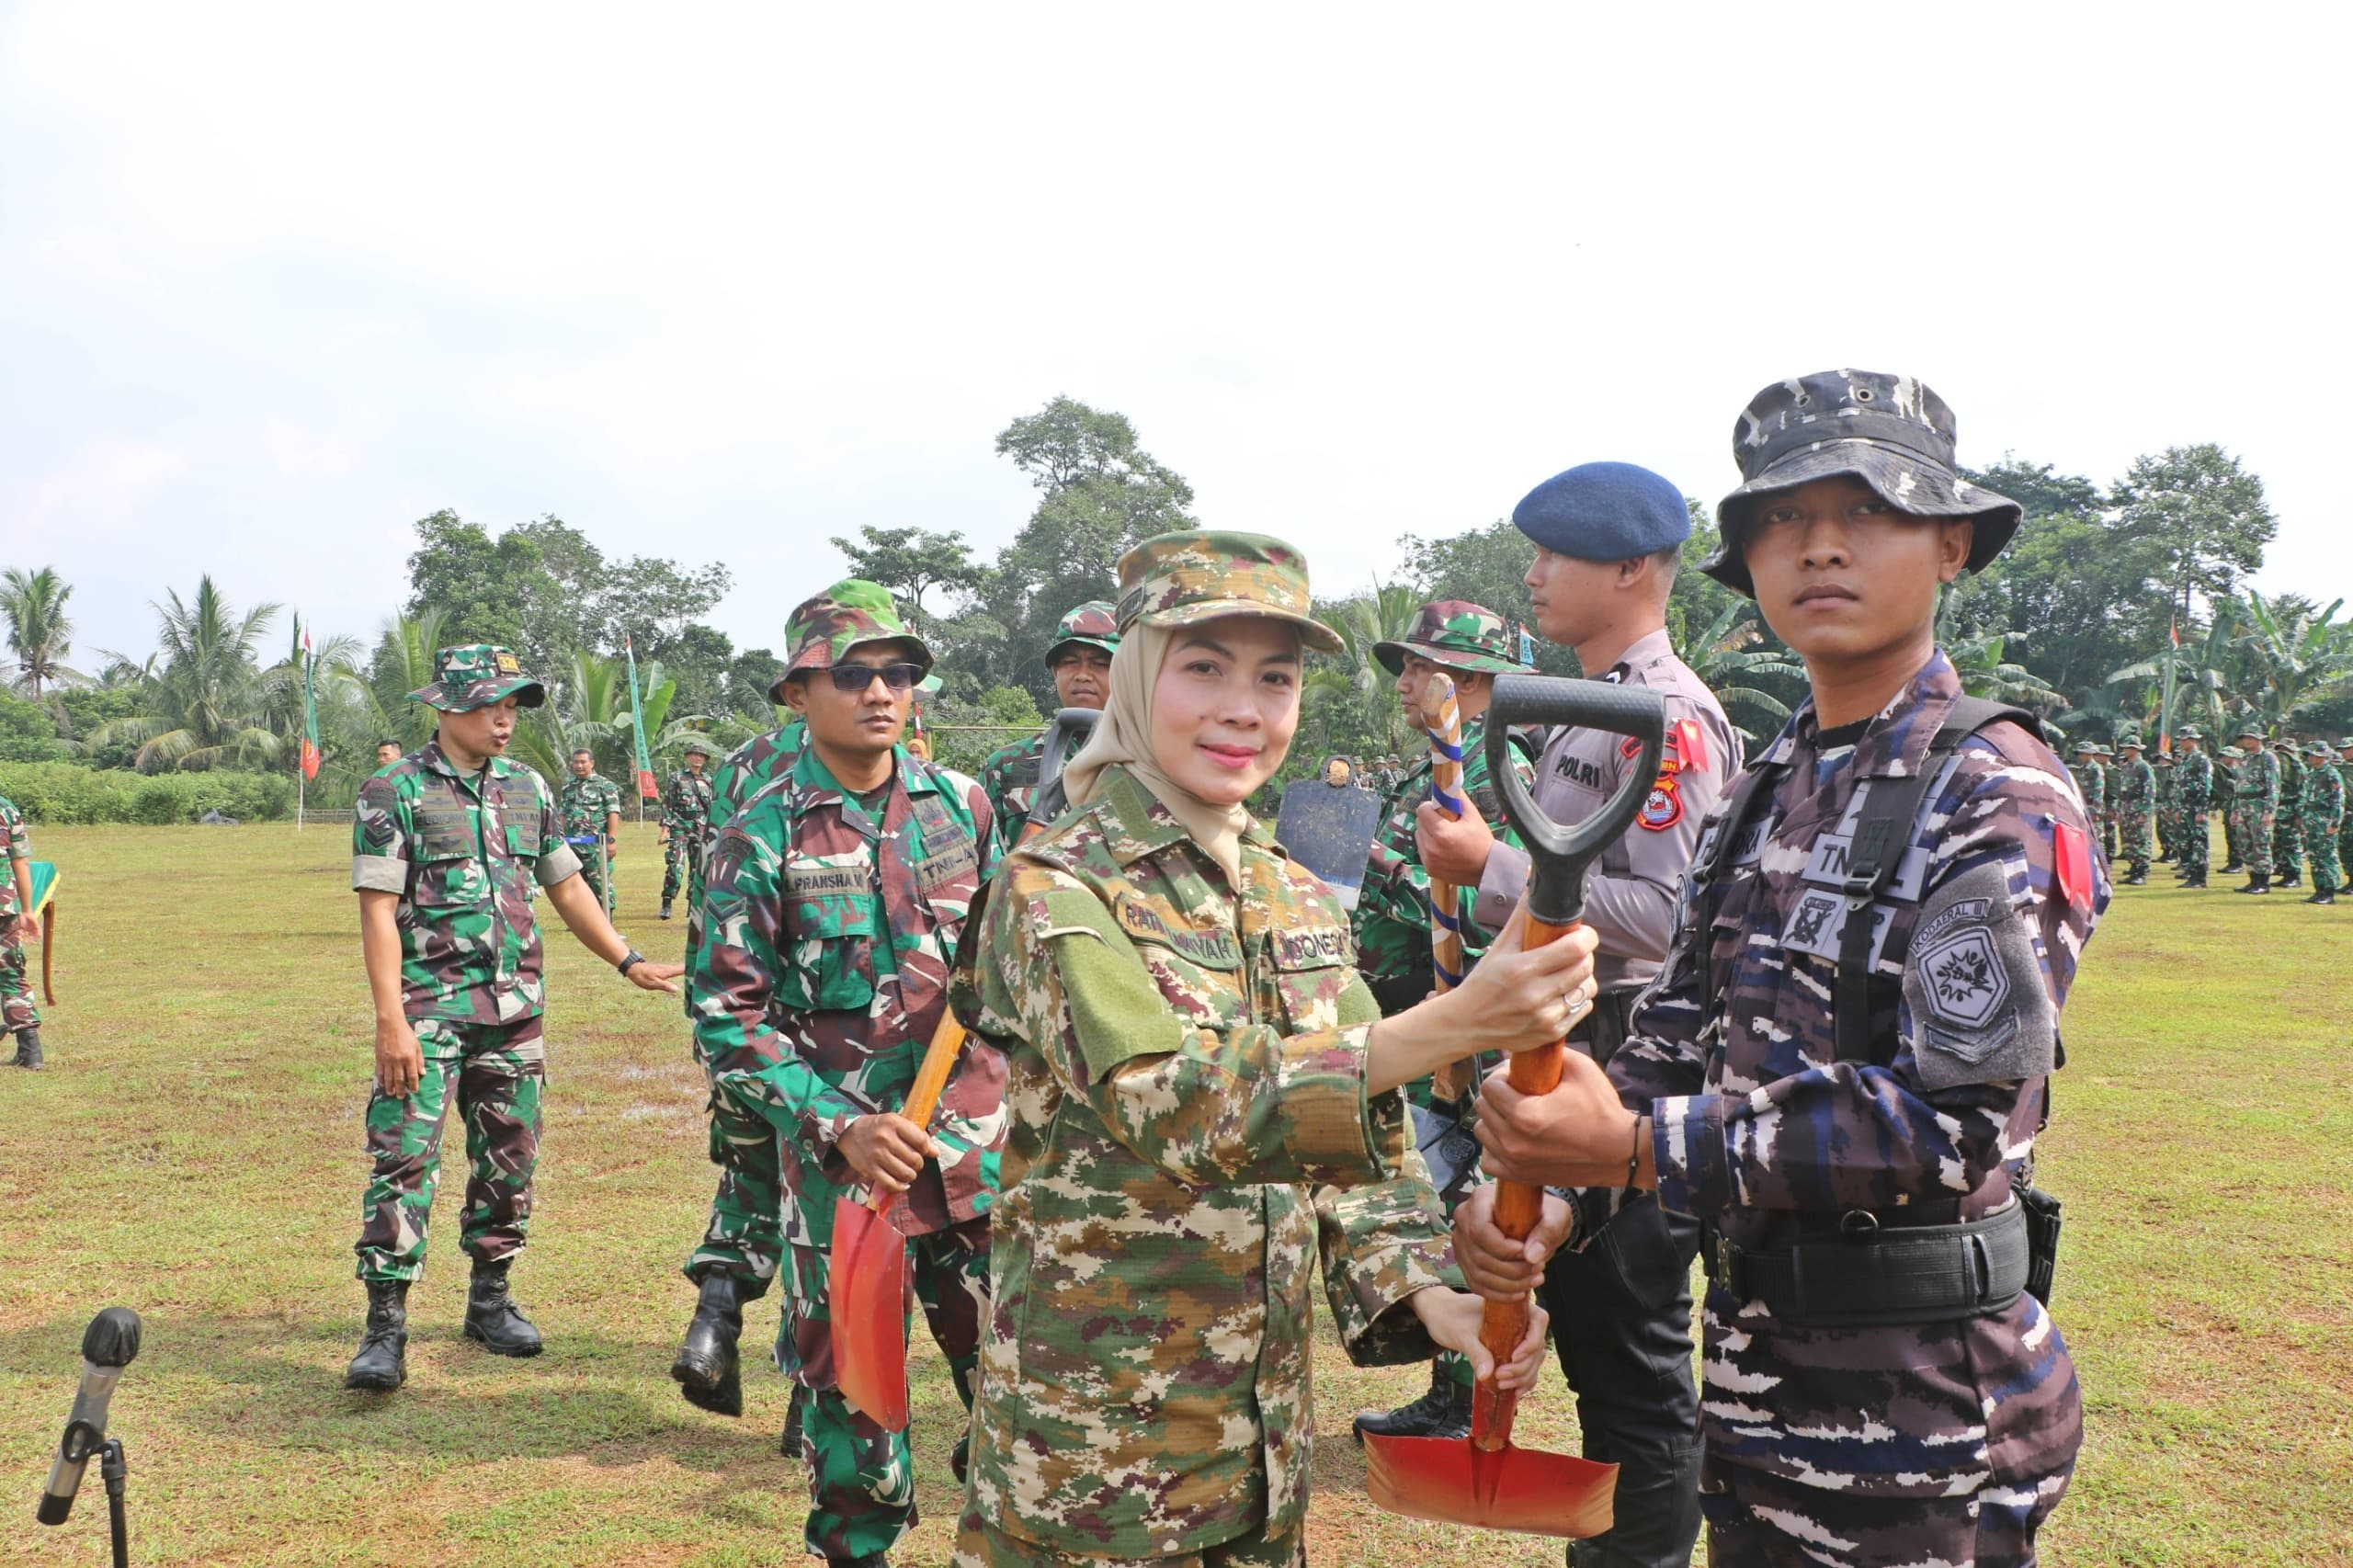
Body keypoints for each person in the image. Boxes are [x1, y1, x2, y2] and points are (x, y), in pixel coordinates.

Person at [1461, 370, 2104, 1567]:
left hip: (1921, 1410)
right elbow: (1674, 1034)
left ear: (1951, 543)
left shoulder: (1994, 788)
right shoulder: (1766, 786)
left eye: (1867, 511)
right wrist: (1559, 1193)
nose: (1820, 546)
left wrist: (1633, 1147)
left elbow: (1954, 1118)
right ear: (1748, 559)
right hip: (1758, 1387)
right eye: (1783, 519)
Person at [949, 530, 1580, 1567]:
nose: (1245, 709)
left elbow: (1358, 1138)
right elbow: (1169, 1100)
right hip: (1097, 1453)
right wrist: (1456, 1022)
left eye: (1275, 677)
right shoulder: (1052, 883)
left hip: (1260, 1448)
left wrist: (1433, 1291)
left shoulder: (1289, 888)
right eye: (1204, 667)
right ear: (1137, 675)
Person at [1414, 461, 1739, 1568]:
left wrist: (1494, 865)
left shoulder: (1665, 717)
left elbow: (1671, 917)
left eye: (1557, 554)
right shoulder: (1583, 708)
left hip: (1631, 1067)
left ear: (1633, 567)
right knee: (1594, 1343)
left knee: (1632, 1365)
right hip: (1562, 1057)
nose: (1533, 574)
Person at [689, 587, 1005, 1568]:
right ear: (799, 692)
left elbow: (1003, 969)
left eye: (899, 673)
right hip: (847, 1182)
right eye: (854, 673)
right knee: (857, 1415)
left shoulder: (963, 805)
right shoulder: (759, 834)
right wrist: (838, 1126)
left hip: (972, 1160)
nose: (881, 692)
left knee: (1020, 1385)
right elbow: (726, 1018)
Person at [345, 645, 683, 1392]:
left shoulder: (527, 787)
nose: (504, 720)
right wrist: (390, 1021)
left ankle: (490, 1302)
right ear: (446, 707)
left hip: (514, 1011)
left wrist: (626, 959)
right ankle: (385, 1326)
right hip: (430, 1010)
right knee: (404, 1158)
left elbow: (567, 886)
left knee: (510, 1156)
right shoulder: (394, 791)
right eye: (489, 706)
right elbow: (377, 911)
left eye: (511, 707)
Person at [1347, 597, 1535, 1444]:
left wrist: (1374, 866)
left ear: (1471, 681)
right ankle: (1450, 1390)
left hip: (1477, 1030)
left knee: (1476, 1203)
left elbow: (1501, 901)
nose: (1405, 682)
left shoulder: (1496, 771)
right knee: (1442, 1202)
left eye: (1421, 667)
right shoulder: (1427, 766)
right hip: (1421, 1020)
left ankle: (1468, 1405)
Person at [671, 642, 813, 1441]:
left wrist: (709, 1013)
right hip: (831, 1021)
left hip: (738, 1005)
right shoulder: (877, 775)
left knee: (752, 1173)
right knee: (827, 1208)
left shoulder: (741, 764)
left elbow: (711, 890)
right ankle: (809, 1399)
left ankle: (715, 1320)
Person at [978, 601, 1120, 853]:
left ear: (1127, 671)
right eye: (1070, 663)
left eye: (1100, 664)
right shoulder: (1005, 766)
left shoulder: (1154, 762)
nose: (1083, 675)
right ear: (1055, 672)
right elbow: (986, 864)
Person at [2, 790, 42, 1069]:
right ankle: (31, 1052)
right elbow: (21, 861)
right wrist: (26, 910)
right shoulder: (5, 807)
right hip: (3, 905)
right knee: (11, 974)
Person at [559, 747, 625, 915]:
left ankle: (607, 917)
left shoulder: (605, 785)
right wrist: (560, 838)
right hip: (573, 845)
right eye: (576, 762)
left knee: (600, 883)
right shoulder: (568, 787)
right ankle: (582, 920)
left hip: (596, 846)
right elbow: (563, 814)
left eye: (583, 762)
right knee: (576, 885)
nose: (579, 766)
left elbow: (613, 812)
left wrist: (611, 840)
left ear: (592, 763)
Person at [658, 740, 716, 920]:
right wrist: (665, 829)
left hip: (701, 829)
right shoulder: (676, 778)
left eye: (701, 756)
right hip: (680, 827)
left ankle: (693, 905)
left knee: (698, 869)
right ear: (688, 757)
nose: (697, 758)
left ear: (704, 760)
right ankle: (667, 902)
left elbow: (713, 806)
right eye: (694, 755)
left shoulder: (708, 780)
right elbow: (667, 804)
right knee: (675, 865)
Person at [2230, 723, 2279, 893]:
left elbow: (2273, 786)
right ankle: (2253, 879)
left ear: (2259, 739)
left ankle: (2263, 882)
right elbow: (2238, 786)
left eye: (2250, 737)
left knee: (2261, 843)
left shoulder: (2268, 758)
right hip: (2244, 806)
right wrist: (2235, 809)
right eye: (2245, 738)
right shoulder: (2245, 759)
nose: (2247, 741)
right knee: (2245, 844)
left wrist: (2269, 811)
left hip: (2259, 805)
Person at [2299, 742, 2342, 905]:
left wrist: (2335, 823)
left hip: (2325, 819)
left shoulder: (2331, 774)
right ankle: (2319, 889)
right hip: (2311, 818)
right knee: (2314, 855)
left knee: (2327, 855)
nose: (2311, 757)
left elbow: (2338, 800)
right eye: (2310, 754)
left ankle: (2329, 891)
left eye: (2314, 754)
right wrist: (2304, 818)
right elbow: (2306, 797)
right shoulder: (2312, 773)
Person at [2113, 733, 2156, 885]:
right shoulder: (2126, 768)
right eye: (2125, 748)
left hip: (2138, 808)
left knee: (2141, 840)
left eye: (2129, 748)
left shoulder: (2143, 767)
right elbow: (2121, 792)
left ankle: (2142, 872)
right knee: (2129, 841)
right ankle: (2134, 869)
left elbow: (2150, 791)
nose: (2125, 750)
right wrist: (2119, 810)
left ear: (2136, 750)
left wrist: (2145, 812)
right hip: (2127, 809)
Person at [2174, 726, 2212, 886]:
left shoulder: (2201, 760)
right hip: (2185, 807)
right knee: (2187, 841)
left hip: (2196, 807)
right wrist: (2178, 808)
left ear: (2194, 740)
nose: (2182, 743)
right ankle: (2191, 872)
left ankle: (2199, 876)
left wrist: (2202, 810)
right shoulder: (2185, 760)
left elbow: (2206, 785)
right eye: (2181, 740)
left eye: (2185, 740)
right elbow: (2179, 786)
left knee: (2199, 841)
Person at [2272, 737, 2305, 889]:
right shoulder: (2279, 769)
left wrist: (2299, 814)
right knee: (2281, 843)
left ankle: (2294, 875)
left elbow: (2303, 792)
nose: (2282, 754)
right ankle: (2286, 873)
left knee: (2291, 843)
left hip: (2291, 810)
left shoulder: (2298, 768)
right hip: (2280, 810)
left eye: (2285, 750)